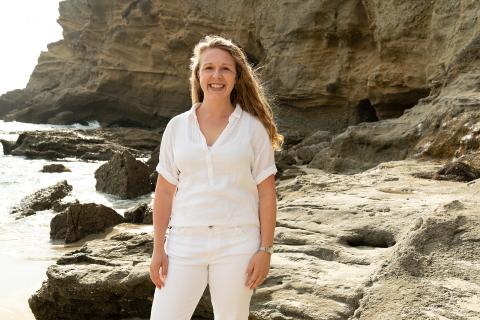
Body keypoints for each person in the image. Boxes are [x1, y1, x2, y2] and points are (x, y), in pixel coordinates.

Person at [149, 34, 284, 320]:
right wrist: (157, 248)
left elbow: (266, 193)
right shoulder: (177, 127)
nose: (216, 75)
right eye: (208, 67)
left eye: (225, 68)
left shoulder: (253, 129)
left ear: (237, 77)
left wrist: (265, 250)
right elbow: (163, 191)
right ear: (197, 75)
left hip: (238, 244)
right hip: (183, 243)